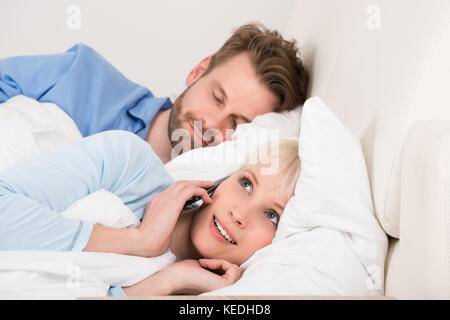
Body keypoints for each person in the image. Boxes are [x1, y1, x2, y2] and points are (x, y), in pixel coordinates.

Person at [0, 130, 301, 296]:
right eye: (246, 183)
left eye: (271, 216)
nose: (240, 213)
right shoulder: (130, 166)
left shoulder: (201, 294)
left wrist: (168, 282)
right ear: (224, 180)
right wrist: (140, 240)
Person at [0, 24, 308, 164]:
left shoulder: (200, 208)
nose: (212, 124)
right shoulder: (82, 74)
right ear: (198, 71)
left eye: (238, 122)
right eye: (216, 97)